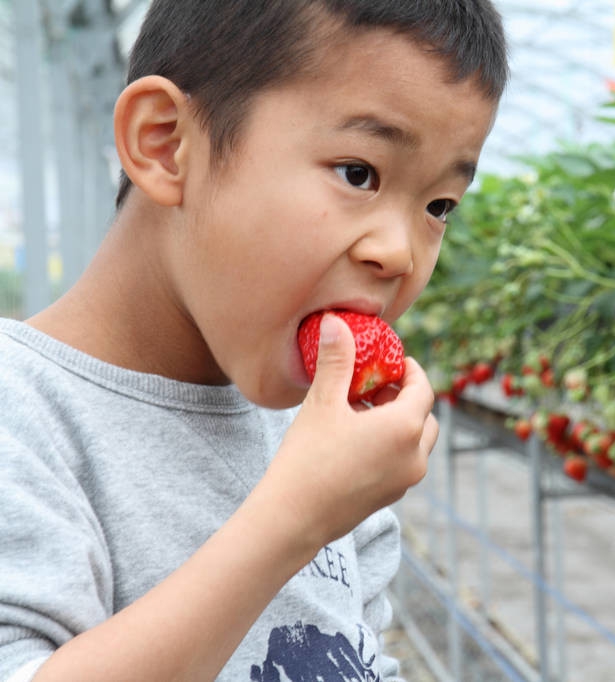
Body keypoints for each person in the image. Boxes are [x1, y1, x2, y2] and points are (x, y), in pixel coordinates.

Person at [0, 1, 506, 680]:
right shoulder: (23, 418)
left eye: (438, 205)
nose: (400, 252)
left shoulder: (321, 442)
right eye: (358, 172)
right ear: (165, 143)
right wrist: (293, 517)